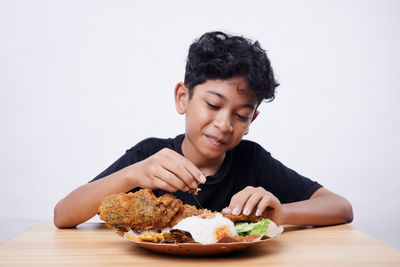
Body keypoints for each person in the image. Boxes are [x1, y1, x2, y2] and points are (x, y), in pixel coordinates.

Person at [54, 31, 353, 229]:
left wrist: (282, 214)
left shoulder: (251, 160)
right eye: (212, 105)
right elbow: (63, 215)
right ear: (183, 98)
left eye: (240, 115)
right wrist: (134, 174)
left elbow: (341, 207)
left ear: (251, 122)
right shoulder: (150, 157)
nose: (224, 125)